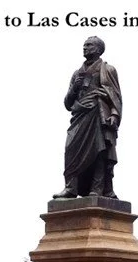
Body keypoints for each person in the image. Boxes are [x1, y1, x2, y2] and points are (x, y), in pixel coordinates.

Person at [53, 36, 122, 199]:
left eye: (89, 45)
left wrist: (114, 113)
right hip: (80, 115)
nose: (85, 48)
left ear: (98, 49)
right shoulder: (77, 73)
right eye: (84, 46)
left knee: (99, 150)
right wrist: (74, 88)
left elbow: (115, 95)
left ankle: (97, 189)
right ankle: (71, 187)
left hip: (99, 114)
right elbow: (68, 103)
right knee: (71, 149)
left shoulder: (108, 70)